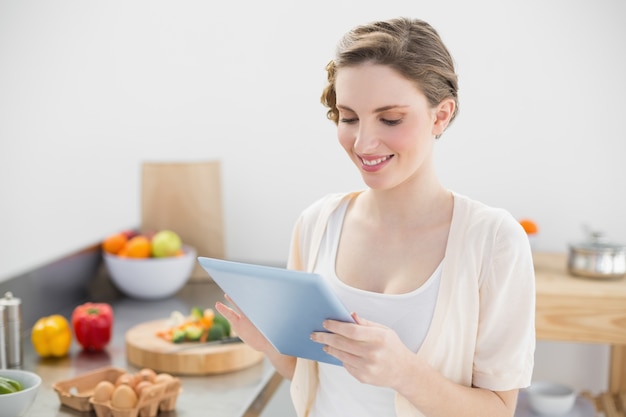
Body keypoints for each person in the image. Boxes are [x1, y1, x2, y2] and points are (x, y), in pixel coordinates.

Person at [216, 16, 535, 417]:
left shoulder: (493, 241)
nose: (363, 142)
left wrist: (406, 373)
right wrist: (269, 342)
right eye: (348, 117)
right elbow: (306, 374)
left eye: (390, 119)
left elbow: (499, 409)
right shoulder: (317, 224)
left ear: (441, 115)